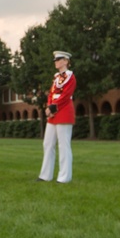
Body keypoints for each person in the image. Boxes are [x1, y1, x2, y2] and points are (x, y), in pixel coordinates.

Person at [39, 50, 77, 184]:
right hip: (53, 112)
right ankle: (45, 175)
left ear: (66, 61)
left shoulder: (70, 77)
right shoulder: (56, 77)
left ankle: (64, 177)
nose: (56, 62)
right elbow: (51, 93)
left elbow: (66, 95)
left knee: (63, 145)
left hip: (64, 111)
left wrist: (53, 107)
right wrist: (49, 106)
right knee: (48, 144)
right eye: (55, 60)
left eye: (59, 59)